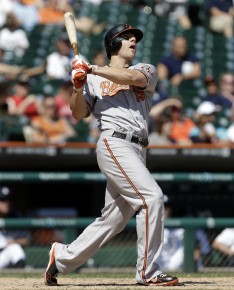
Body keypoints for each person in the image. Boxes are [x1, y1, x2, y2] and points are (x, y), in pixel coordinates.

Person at [44, 23, 179, 286]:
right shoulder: (92, 79)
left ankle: (61, 257)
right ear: (113, 44)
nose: (133, 41)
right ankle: (147, 272)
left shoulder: (145, 69)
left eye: (134, 38)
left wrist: (91, 68)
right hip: (115, 142)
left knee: (113, 220)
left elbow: (135, 80)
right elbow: (79, 113)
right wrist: (79, 86)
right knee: (152, 198)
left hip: (138, 149)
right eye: (126, 37)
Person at [0, 186, 30, 269]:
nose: (6, 203)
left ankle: (19, 279)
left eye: (8, 199)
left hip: (5, 256)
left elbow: (27, 240)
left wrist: (14, 241)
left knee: (14, 247)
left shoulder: (16, 216)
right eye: (3, 200)